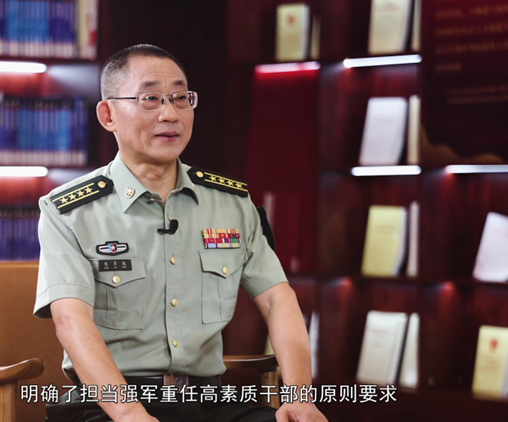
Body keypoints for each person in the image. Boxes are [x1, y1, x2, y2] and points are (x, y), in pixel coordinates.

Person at [33, 44, 327, 422]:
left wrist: (300, 396)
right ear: (108, 115)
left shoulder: (231, 203)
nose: (170, 114)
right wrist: (128, 413)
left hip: (208, 402)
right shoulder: (69, 211)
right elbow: (71, 321)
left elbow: (277, 299)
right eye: (150, 99)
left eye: (180, 98)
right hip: (108, 404)